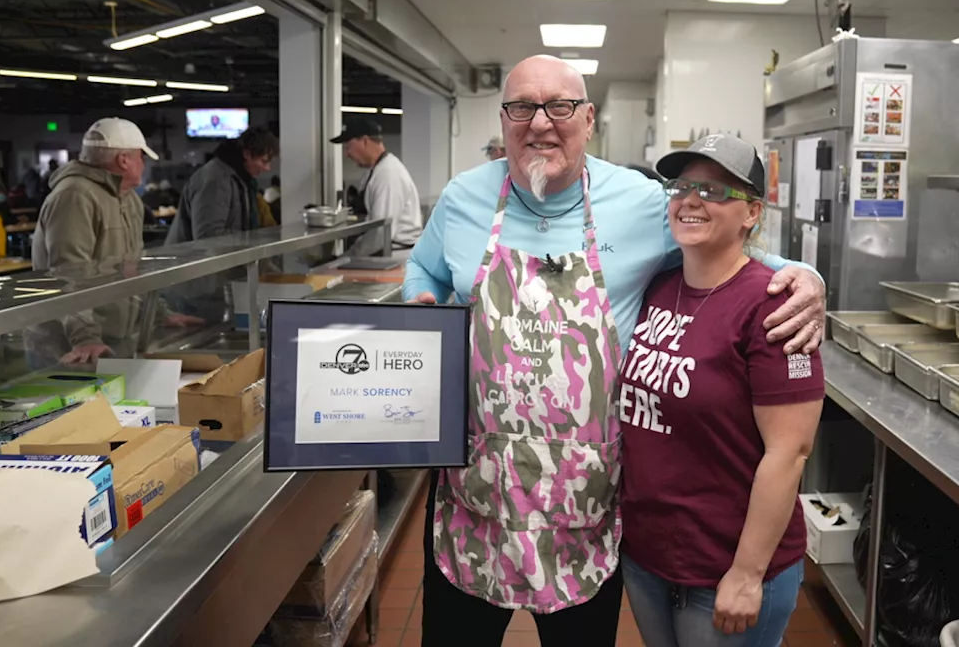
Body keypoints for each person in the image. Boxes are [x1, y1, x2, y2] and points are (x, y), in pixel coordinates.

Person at [403, 55, 825, 647]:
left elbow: (728, 246)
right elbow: (422, 263)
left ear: (589, 118)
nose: (540, 123)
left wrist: (806, 276)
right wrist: (420, 295)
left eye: (561, 107)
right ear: (503, 118)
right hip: (478, 496)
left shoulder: (642, 201)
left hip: (584, 505)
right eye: (522, 107)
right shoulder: (462, 198)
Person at [620, 135, 825, 647]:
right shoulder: (658, 288)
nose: (690, 200)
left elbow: (790, 452)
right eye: (682, 186)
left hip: (726, 567)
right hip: (650, 556)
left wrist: (748, 573)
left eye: (713, 191)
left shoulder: (775, 306)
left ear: (752, 212)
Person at [29, 117, 199, 366]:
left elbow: (134, 268)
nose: (143, 163)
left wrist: (160, 314)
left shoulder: (130, 200)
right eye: (141, 156)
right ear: (123, 160)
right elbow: (68, 273)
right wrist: (84, 337)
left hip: (112, 340)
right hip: (70, 350)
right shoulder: (74, 195)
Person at [166, 126, 278, 244]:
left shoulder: (240, 179)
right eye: (264, 161)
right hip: (191, 260)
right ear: (247, 154)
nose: (267, 168)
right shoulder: (215, 179)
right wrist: (253, 240)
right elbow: (208, 236)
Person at [331, 120, 423, 249]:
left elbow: (381, 233)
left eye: (348, 146)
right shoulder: (376, 170)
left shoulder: (388, 174)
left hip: (396, 253)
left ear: (365, 141)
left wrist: (351, 255)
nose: (347, 154)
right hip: (386, 249)